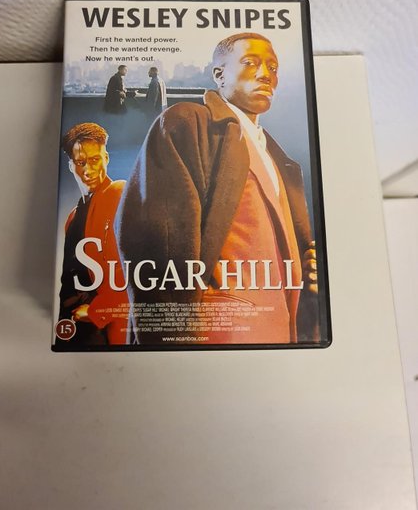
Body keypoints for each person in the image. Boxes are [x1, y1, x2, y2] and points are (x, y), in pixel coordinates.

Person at [118, 33, 318, 345]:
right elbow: (155, 247)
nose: (265, 74)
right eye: (250, 62)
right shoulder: (187, 122)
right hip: (214, 338)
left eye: (273, 67)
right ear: (219, 75)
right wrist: (171, 348)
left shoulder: (276, 157)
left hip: (281, 339)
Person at [56, 122, 129, 348]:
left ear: (106, 158)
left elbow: (139, 265)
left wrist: (98, 311)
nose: (88, 170)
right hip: (73, 323)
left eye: (95, 159)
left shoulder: (119, 192)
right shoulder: (72, 217)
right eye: (80, 162)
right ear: (71, 166)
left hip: (106, 325)